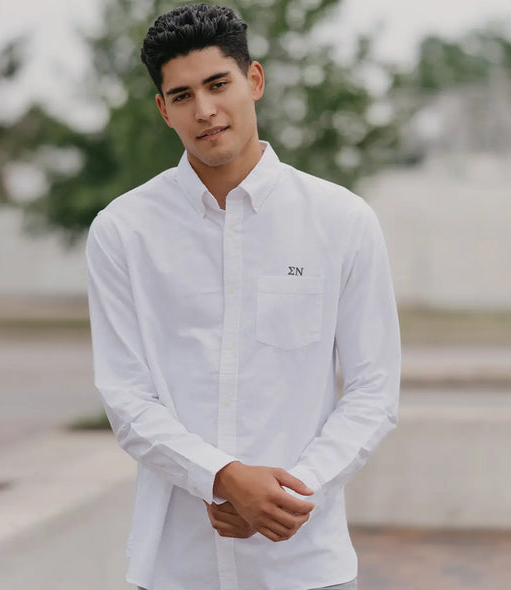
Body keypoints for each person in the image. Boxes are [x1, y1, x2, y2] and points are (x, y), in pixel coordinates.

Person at [85, 4, 400, 590]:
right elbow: (127, 397)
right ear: (163, 110)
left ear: (253, 80)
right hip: (177, 567)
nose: (204, 110)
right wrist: (223, 477)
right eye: (182, 95)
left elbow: (373, 389)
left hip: (307, 565)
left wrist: (293, 493)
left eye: (217, 84)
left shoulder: (341, 220)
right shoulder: (123, 231)